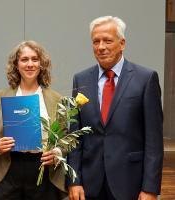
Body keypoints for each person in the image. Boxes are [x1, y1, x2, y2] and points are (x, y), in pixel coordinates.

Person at [67, 16, 164, 200]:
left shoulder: (145, 79)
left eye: (107, 40)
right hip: (89, 184)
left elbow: (154, 141)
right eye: (96, 41)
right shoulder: (81, 79)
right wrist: (74, 180)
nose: (101, 46)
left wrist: (150, 188)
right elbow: (75, 137)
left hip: (130, 183)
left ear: (122, 43)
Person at [0, 40, 67, 200]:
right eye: (24, 59)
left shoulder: (57, 99)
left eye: (35, 59)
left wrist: (57, 152)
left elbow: (65, 137)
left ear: (42, 64)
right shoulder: (0, 97)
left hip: (43, 169)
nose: (30, 64)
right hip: (7, 167)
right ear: (16, 64)